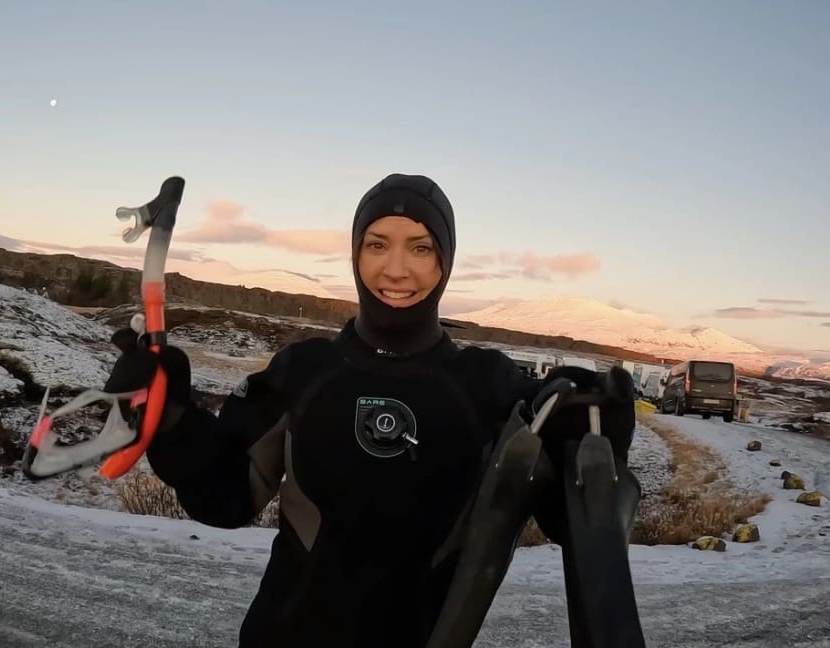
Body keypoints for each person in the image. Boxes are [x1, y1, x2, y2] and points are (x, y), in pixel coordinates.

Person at [102, 173, 636, 647]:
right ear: (356, 253)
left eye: (421, 248)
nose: (397, 269)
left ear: (445, 260)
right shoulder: (304, 370)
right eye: (378, 244)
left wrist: (594, 437)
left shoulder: (490, 385)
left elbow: (574, 525)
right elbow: (225, 498)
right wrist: (172, 418)